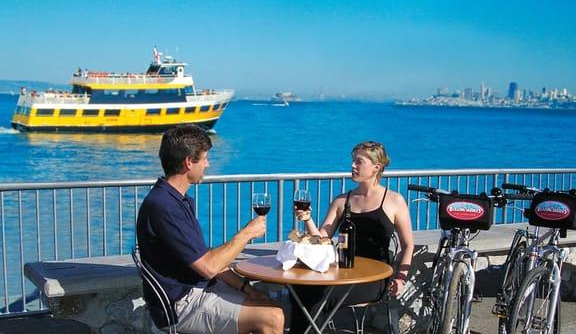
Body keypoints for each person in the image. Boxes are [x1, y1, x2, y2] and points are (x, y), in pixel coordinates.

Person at [136, 124, 284, 334]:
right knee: (272, 318)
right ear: (189, 162)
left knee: (268, 304)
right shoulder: (164, 207)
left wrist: (247, 288)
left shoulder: (177, 200)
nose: (207, 164)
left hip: (197, 289)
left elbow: (203, 258)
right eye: (204, 158)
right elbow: (209, 267)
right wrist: (247, 234)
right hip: (179, 305)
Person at [291, 141, 414, 334]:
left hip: (375, 278)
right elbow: (321, 239)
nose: (353, 166)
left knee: (319, 297)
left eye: (359, 161)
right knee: (300, 289)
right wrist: (307, 219)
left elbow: (408, 245)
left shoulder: (394, 201)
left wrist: (400, 277)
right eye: (353, 161)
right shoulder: (342, 200)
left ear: (376, 167)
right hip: (343, 272)